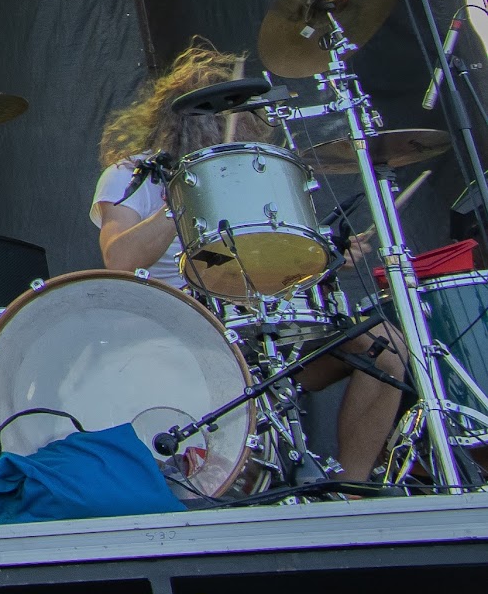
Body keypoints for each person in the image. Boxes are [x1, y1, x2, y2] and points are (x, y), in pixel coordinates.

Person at [93, 39, 403, 481]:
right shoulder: (131, 174)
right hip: (180, 327)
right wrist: (188, 190)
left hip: (266, 323)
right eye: (213, 116)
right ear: (182, 119)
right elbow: (118, 260)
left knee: (385, 346)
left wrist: (328, 259)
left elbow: (277, 264)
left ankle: (352, 488)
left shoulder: (257, 170)